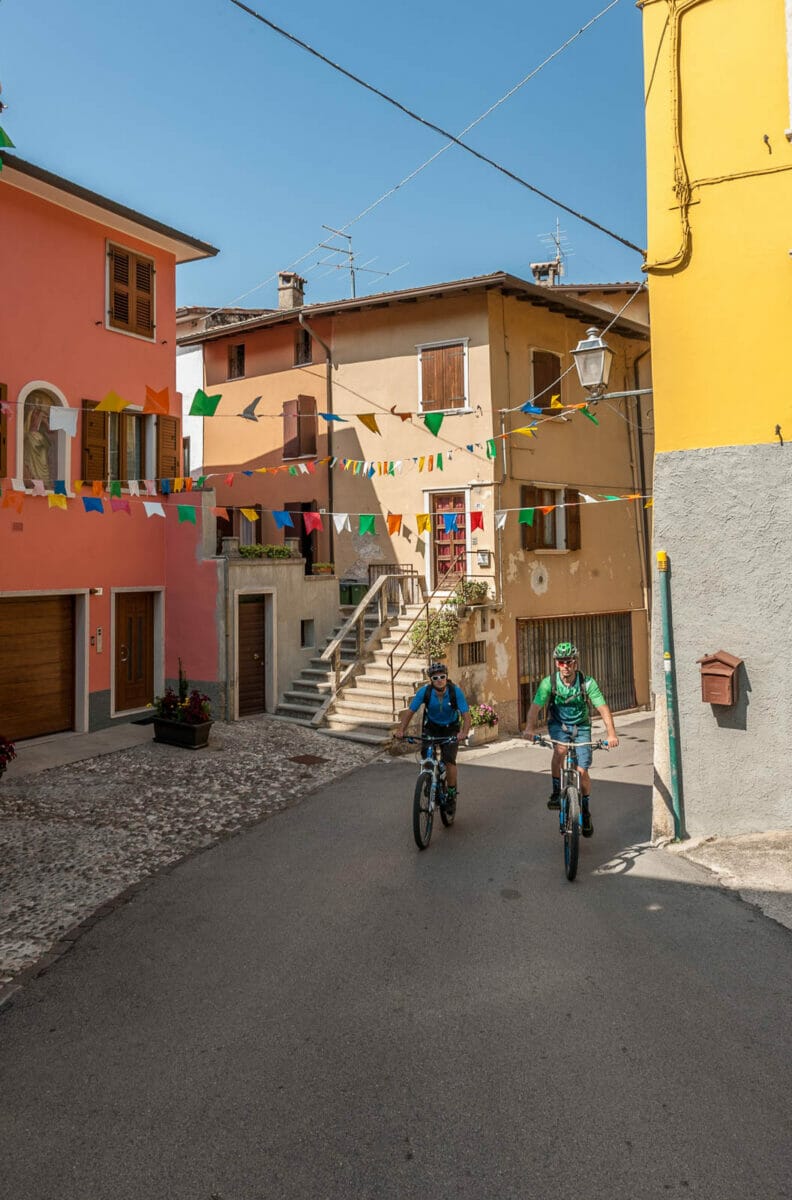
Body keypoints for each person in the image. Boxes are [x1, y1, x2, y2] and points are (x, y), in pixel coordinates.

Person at [522, 641, 619, 838]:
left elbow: (602, 708)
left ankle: (585, 808)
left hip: (582, 726)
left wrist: (611, 734)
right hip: (558, 725)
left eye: (569, 662)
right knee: (560, 751)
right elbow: (535, 707)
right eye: (560, 662)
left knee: (582, 771)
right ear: (556, 664)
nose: (565, 666)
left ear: (575, 663)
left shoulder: (587, 683)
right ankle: (556, 792)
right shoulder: (549, 683)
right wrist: (529, 728)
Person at [395, 663, 471, 817]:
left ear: (446, 677)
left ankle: (450, 794)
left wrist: (463, 732)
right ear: (431, 680)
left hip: (451, 728)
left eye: (442, 677)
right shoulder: (425, 692)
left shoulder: (455, 692)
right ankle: (429, 779)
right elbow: (410, 712)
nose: (439, 680)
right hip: (431, 727)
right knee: (428, 757)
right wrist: (401, 730)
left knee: (449, 761)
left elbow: (466, 715)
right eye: (435, 678)